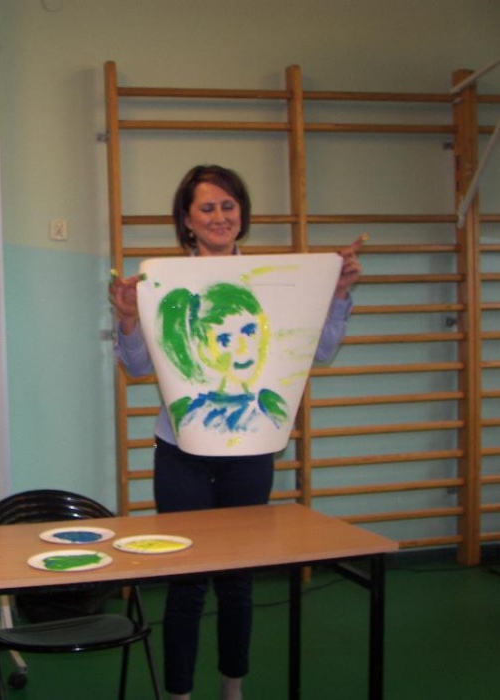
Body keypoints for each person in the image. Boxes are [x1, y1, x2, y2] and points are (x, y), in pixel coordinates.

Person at [108, 164, 362, 700]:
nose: (220, 216)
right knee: (186, 577)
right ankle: (179, 693)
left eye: (229, 206)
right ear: (187, 220)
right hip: (180, 450)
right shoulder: (163, 283)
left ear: (242, 214)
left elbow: (321, 350)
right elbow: (136, 367)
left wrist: (337, 295)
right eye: (207, 208)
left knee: (238, 579)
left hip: (251, 449)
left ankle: (233, 688)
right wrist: (128, 319)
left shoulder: (275, 281)